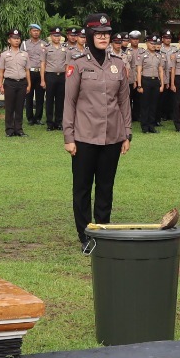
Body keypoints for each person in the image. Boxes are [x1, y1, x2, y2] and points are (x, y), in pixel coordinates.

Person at [61, 13, 132, 249]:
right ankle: (85, 235)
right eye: (98, 34)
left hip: (112, 136)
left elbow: (124, 101)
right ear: (90, 35)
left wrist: (127, 133)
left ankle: (102, 232)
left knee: (105, 187)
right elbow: (69, 102)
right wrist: (68, 136)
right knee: (82, 188)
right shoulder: (78, 64)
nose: (103, 37)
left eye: (106, 34)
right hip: (84, 136)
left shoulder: (118, 64)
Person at [0, 30, 30, 137]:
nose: (16, 40)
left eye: (18, 38)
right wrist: (0, 85)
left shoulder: (25, 54)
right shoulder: (4, 55)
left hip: (22, 83)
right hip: (9, 83)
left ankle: (19, 129)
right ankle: (9, 130)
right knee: (9, 107)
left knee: (20, 107)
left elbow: (27, 70)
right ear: (9, 40)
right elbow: (1, 71)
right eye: (14, 38)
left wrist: (29, 84)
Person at [137, 35, 164, 134]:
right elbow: (139, 71)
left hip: (155, 81)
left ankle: (151, 126)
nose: (153, 45)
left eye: (154, 44)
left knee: (153, 105)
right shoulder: (142, 55)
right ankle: (145, 127)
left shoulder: (159, 56)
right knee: (145, 105)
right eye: (151, 43)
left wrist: (162, 84)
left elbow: (161, 71)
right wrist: (139, 85)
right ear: (147, 44)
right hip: (146, 81)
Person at [43, 28, 68, 133]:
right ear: (51, 36)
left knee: (60, 100)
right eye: (54, 35)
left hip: (62, 76)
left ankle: (59, 122)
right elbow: (43, 64)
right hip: (50, 76)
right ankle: (50, 123)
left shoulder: (65, 48)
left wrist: (67, 77)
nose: (56, 38)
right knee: (49, 100)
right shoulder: (46, 48)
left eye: (58, 36)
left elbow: (67, 64)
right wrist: (42, 79)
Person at [24, 24, 46, 126]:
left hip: (40, 72)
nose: (36, 32)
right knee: (28, 95)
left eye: (37, 31)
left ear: (40, 32)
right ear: (30, 32)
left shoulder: (44, 44)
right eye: (34, 30)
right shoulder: (25, 44)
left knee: (40, 96)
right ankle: (30, 118)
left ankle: (38, 118)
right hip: (29, 72)